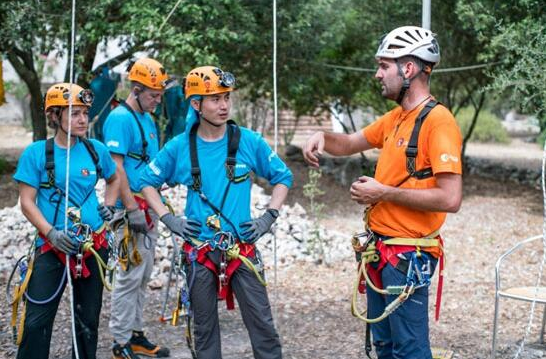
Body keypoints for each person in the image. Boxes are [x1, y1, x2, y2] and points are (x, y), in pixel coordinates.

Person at [303, 26, 463, 359]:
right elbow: (348, 143)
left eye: (384, 65)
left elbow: (450, 198)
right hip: (381, 250)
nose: (378, 74)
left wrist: (383, 192)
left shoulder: (439, 121)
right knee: (386, 346)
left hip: (408, 256)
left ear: (408, 68)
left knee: (409, 349)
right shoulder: (396, 118)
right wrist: (321, 136)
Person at [139, 66, 293, 359]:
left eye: (226, 98)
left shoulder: (248, 141)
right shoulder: (180, 147)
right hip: (200, 252)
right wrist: (169, 219)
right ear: (196, 104)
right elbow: (146, 183)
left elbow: (283, 177)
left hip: (241, 250)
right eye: (215, 99)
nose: (223, 105)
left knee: (263, 327)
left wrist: (268, 217)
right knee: (204, 331)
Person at [13, 83, 119, 359]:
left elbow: (114, 177)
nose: (83, 119)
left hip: (92, 246)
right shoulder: (37, 153)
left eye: (85, 113)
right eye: (73, 113)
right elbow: (27, 202)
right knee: (37, 322)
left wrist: (109, 206)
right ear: (54, 116)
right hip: (52, 248)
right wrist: (50, 233)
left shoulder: (96, 150)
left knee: (87, 323)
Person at [102, 58, 171, 358]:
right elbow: (116, 170)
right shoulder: (120, 118)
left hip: (148, 206)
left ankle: (136, 332)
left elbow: (150, 165)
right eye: (153, 95)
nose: (158, 100)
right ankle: (120, 340)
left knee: (143, 275)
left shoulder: (148, 118)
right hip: (130, 209)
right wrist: (132, 210)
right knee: (129, 275)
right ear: (137, 89)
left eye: (160, 95)